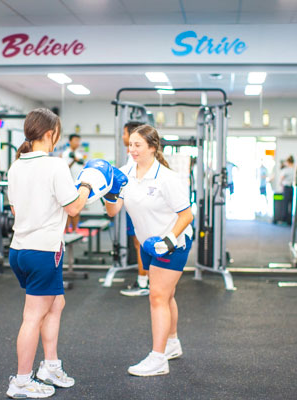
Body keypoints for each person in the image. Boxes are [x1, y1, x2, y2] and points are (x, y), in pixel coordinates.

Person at [6, 108, 107, 399]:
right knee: (33, 316)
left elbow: (16, 209)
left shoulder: (16, 166)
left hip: (20, 250)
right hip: (42, 252)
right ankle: (22, 381)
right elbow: (74, 207)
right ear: (51, 134)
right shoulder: (55, 165)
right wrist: (88, 184)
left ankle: (49, 366)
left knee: (56, 304)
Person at [105, 124, 194, 377]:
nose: (131, 149)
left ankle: (158, 358)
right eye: (130, 144)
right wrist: (109, 191)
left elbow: (186, 215)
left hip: (172, 243)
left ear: (152, 147)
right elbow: (113, 211)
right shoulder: (124, 173)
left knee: (156, 297)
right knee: (166, 296)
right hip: (146, 243)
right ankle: (172, 343)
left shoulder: (167, 178)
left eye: (137, 145)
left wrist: (168, 239)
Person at [119, 121, 148, 297]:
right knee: (140, 244)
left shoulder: (135, 157)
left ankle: (143, 282)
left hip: (139, 207)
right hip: (136, 206)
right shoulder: (133, 157)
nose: (123, 137)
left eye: (124, 133)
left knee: (140, 244)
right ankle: (146, 280)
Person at [61, 134, 85, 232]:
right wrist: (74, 160)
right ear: (70, 141)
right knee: (67, 210)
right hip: (68, 185)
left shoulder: (79, 155)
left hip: (77, 185)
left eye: (78, 141)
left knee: (77, 210)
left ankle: (75, 231)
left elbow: (82, 167)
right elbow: (65, 169)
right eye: (75, 140)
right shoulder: (66, 154)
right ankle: (66, 231)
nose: (77, 143)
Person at [280, 156, 295, 225]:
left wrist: (280, 184)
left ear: (288, 162)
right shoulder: (295, 169)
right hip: (293, 188)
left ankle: (284, 219)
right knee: (292, 204)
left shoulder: (286, 170)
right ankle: (291, 220)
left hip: (286, 188)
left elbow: (282, 178)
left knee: (285, 204)